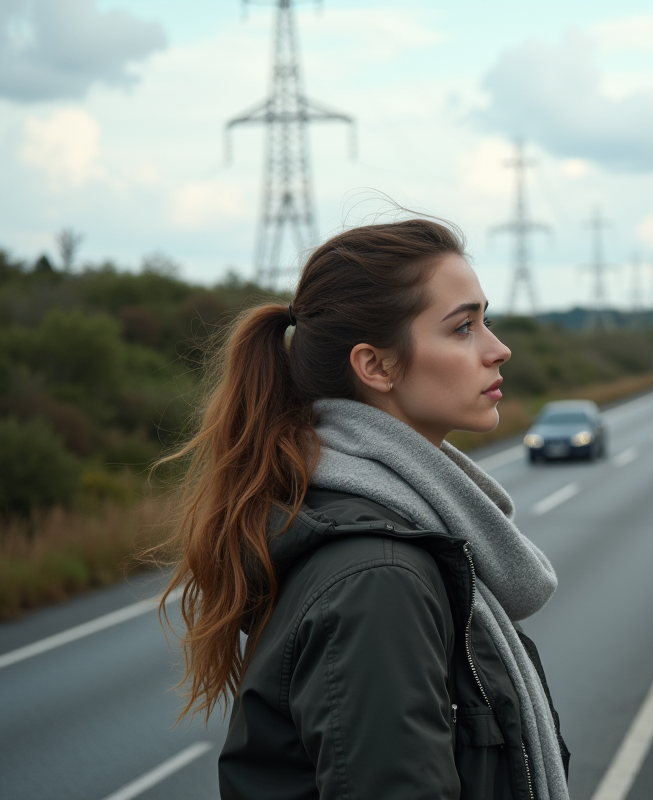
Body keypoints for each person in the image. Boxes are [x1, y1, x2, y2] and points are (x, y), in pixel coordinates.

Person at [159, 219, 570, 799]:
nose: (498, 348)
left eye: (486, 320)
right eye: (463, 328)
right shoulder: (379, 580)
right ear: (375, 366)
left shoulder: (371, 534)